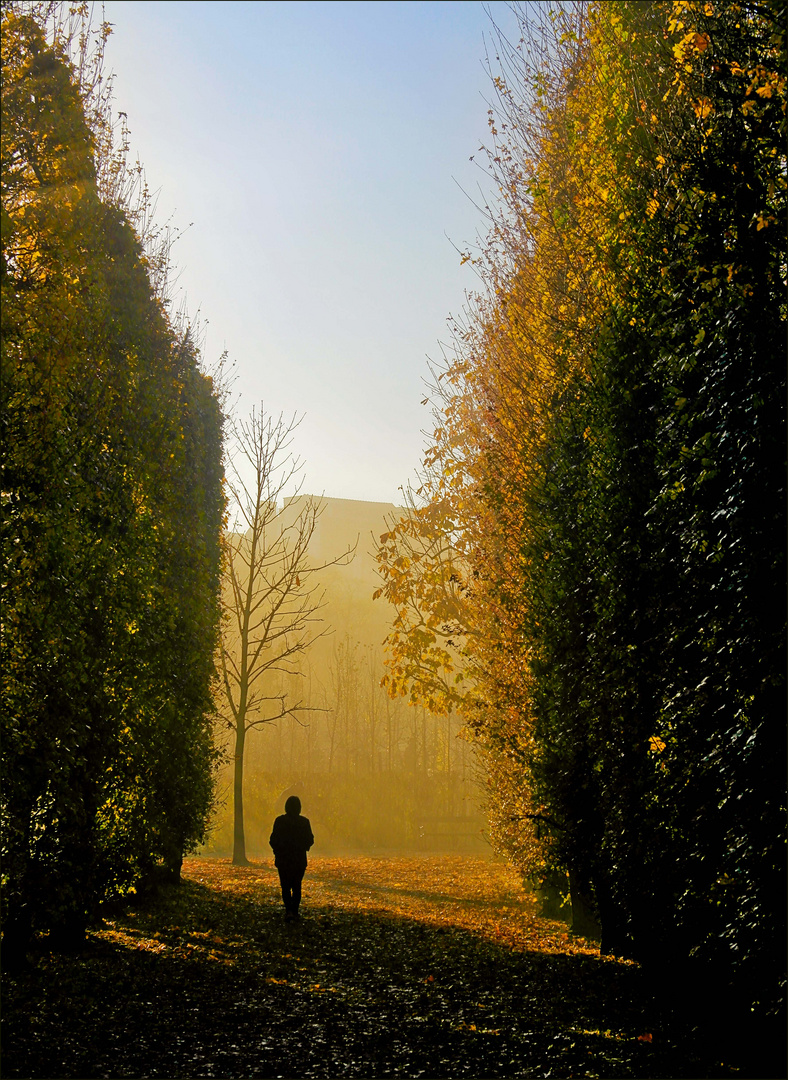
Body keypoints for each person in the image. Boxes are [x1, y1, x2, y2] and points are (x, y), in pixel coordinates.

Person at [269, 795, 314, 921]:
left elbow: (273, 839)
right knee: (296, 885)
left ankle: (289, 910)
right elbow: (310, 840)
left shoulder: (279, 821)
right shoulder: (304, 822)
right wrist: (303, 847)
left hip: (283, 859)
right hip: (299, 859)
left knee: (285, 886)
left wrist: (277, 851)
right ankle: (294, 911)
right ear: (299, 808)